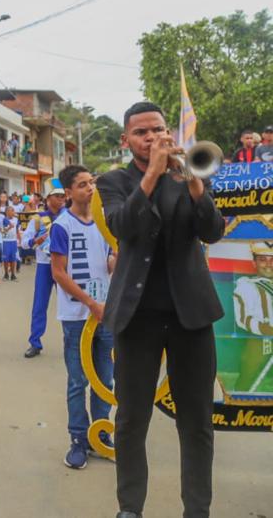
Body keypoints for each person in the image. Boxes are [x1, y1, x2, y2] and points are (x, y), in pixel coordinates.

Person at [97, 101, 225, 518]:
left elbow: (212, 231)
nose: (152, 138)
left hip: (192, 315)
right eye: (142, 133)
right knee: (132, 421)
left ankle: (197, 510)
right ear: (126, 140)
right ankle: (130, 508)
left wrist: (193, 186)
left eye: (158, 130)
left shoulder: (191, 173)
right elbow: (123, 226)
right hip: (137, 319)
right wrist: (152, 173)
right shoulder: (113, 181)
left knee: (196, 423)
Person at [49, 164, 115, 470]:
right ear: (69, 192)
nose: (90, 188)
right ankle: (78, 439)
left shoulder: (105, 222)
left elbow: (110, 260)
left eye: (92, 182)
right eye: (83, 184)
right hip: (78, 316)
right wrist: (89, 302)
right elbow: (59, 272)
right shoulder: (62, 226)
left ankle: (101, 435)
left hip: (107, 314)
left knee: (106, 380)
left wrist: (116, 257)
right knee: (78, 381)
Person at [22, 178, 67, 358]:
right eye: (57, 196)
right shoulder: (37, 219)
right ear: (48, 199)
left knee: (69, 304)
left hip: (64, 265)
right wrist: (35, 241)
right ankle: (35, 342)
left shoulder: (69, 216)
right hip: (44, 266)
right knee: (40, 305)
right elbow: (24, 242)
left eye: (63, 196)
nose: (62, 198)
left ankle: (72, 341)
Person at [231, 241, 273, 392]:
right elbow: (243, 319)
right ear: (254, 262)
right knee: (247, 380)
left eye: (272, 259)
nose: (269, 264)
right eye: (263, 259)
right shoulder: (247, 286)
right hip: (260, 341)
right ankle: (241, 408)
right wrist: (266, 329)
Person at [2, 205, 19, 281]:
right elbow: (3, 231)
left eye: (12, 211)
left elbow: (17, 230)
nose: (11, 212)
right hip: (6, 241)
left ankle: (13, 274)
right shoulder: (4, 220)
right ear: (6, 212)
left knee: (13, 259)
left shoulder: (16, 220)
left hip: (14, 241)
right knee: (6, 259)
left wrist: (19, 239)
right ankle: (6, 274)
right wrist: (9, 227)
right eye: (9, 211)